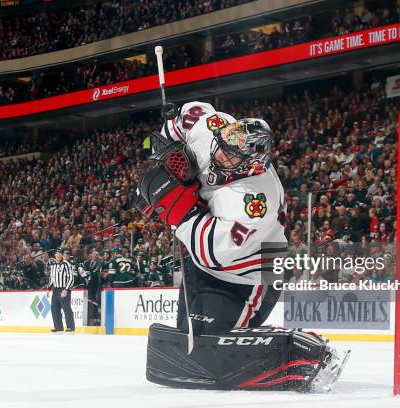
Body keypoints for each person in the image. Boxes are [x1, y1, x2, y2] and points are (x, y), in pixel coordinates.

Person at [138, 102, 349, 392]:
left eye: (229, 155)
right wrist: (163, 150)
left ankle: (300, 354)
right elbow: (186, 116)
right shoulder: (215, 130)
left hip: (246, 276)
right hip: (201, 267)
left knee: (208, 350)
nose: (219, 154)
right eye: (222, 146)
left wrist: (173, 210)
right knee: (188, 346)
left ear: (251, 163)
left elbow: (210, 248)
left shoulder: (255, 202)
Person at [47, 248, 75, 333]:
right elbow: (52, 278)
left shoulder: (67, 264)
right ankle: (58, 327)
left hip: (64, 289)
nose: (58, 255)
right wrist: (48, 288)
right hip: (55, 289)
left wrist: (66, 289)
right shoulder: (53, 265)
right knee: (54, 308)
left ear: (62, 255)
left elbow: (71, 278)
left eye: (60, 253)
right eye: (56, 253)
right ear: (54, 255)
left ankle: (70, 327)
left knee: (66, 308)